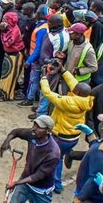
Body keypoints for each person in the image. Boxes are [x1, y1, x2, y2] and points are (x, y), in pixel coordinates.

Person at [40, 63, 94, 193]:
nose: (73, 88)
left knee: (55, 159)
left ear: (77, 93)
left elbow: (48, 93)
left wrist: (44, 77)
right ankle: (56, 183)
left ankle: (55, 184)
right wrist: (64, 71)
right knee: (60, 157)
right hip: (73, 136)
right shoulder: (86, 100)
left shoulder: (68, 102)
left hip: (61, 137)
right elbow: (76, 85)